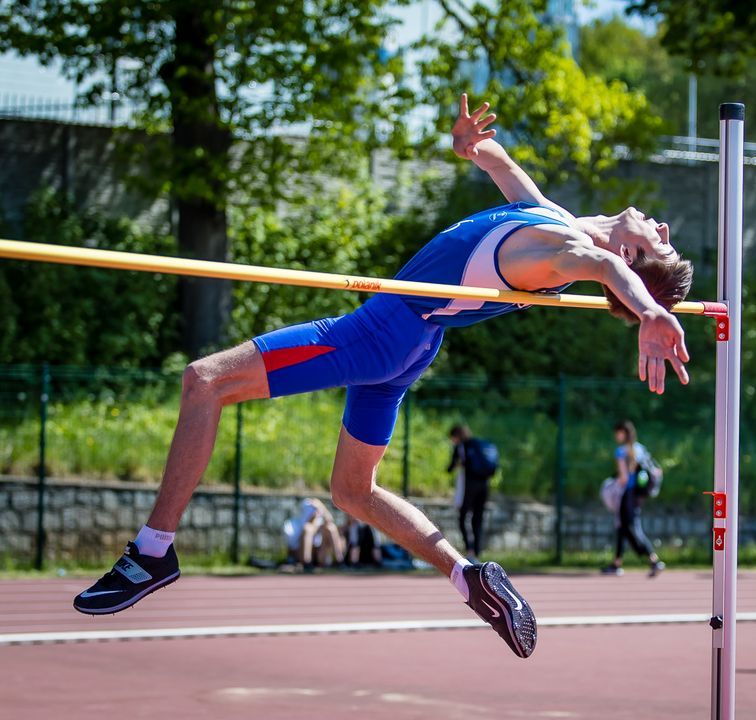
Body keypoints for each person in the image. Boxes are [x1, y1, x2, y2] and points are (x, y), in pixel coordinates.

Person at [72, 94, 694, 660]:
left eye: (659, 244)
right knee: (351, 491)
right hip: (411, 342)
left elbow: (601, 266)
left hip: (381, 332)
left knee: (204, 381)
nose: (664, 225)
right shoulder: (551, 218)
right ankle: (467, 577)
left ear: (633, 258)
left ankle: (152, 551)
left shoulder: (564, 254)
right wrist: (468, 145)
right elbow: (498, 163)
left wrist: (651, 310)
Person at [602, 420, 665, 577]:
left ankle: (654, 559)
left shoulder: (622, 451)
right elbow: (655, 470)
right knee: (622, 527)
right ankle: (617, 563)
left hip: (627, 495)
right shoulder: (640, 449)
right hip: (638, 495)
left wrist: (611, 484)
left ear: (622, 433)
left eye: (617, 432)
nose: (616, 436)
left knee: (632, 528)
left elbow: (623, 478)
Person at [448, 424, 497, 561]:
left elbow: (450, 467)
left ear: (456, 436)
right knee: (478, 519)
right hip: (485, 484)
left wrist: (456, 464)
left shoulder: (461, 446)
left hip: (469, 485)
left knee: (463, 517)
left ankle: (469, 550)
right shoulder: (480, 445)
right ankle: (477, 553)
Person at [282, 498, 345, 570]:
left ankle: (340, 561)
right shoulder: (298, 525)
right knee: (308, 529)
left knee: (331, 528)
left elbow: (330, 520)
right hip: (302, 553)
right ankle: (307, 563)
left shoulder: (321, 521)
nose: (315, 511)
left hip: (320, 554)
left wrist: (321, 507)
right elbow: (292, 548)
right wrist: (313, 518)